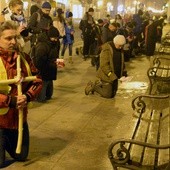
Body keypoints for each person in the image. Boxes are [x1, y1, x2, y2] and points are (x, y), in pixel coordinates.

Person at [0, 21, 42, 168]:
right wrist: (10, 101)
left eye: (15, 38)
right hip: (0, 119)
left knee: (21, 156)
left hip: (18, 119)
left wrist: (28, 96)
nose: (13, 42)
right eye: (8, 38)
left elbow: (37, 80)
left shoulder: (24, 58)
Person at [34, 26, 60, 103]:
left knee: (49, 90)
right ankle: (39, 97)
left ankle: (47, 95)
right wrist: (53, 63)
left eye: (57, 38)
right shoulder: (42, 46)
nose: (56, 40)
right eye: (54, 38)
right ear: (49, 37)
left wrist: (56, 61)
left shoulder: (54, 43)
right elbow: (39, 61)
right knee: (42, 94)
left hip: (50, 70)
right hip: (43, 71)